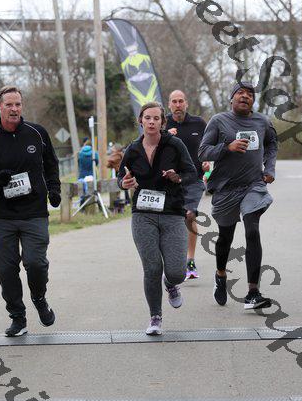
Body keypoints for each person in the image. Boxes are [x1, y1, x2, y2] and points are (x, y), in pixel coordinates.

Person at [0, 85, 61, 337]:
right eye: (9, 104)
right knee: (6, 271)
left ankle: (39, 298)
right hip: (2, 216)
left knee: (36, 263)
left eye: (18, 104)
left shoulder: (37, 133)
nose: (14, 109)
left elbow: (51, 164)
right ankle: (18, 317)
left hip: (34, 212)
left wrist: (54, 189)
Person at [118, 101, 196, 335]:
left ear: (163, 122)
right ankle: (155, 317)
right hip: (143, 215)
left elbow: (191, 173)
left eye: (156, 118)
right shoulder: (133, 149)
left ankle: (171, 284)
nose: (151, 122)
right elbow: (121, 178)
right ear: (140, 121)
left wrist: (177, 177)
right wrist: (124, 183)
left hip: (172, 213)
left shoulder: (175, 145)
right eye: (147, 118)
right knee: (152, 268)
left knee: (176, 272)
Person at [198, 81, 278, 310]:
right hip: (226, 188)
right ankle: (220, 275)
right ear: (231, 98)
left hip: (253, 185)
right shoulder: (219, 121)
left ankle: (253, 292)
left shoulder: (262, 122)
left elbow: (272, 144)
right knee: (226, 237)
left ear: (253, 100)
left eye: (250, 94)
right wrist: (227, 147)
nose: (245, 96)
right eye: (240, 93)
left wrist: (269, 168)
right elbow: (202, 152)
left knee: (252, 230)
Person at [165, 90, 210, 279]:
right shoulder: (163, 124)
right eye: (174, 101)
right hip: (169, 180)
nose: (177, 105)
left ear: (186, 103)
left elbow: (208, 146)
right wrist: (164, 136)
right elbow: (150, 147)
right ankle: (173, 260)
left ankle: (190, 260)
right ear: (169, 105)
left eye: (180, 101)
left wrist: (207, 163)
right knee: (170, 220)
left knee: (189, 215)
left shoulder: (199, 123)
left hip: (194, 179)